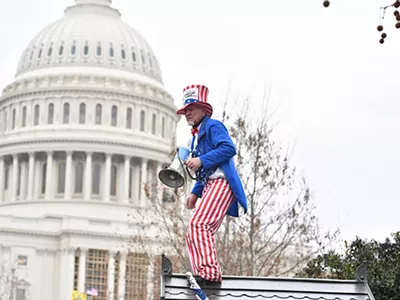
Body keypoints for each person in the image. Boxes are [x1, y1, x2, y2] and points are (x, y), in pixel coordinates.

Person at [176, 84, 248, 286]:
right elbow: (203, 173)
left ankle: (210, 273)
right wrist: (195, 193)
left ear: (203, 109)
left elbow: (228, 148)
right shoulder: (195, 138)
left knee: (200, 225)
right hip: (209, 184)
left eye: (191, 108)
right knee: (193, 229)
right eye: (186, 110)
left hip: (222, 182)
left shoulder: (213, 126)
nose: (187, 113)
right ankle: (201, 273)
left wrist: (202, 160)